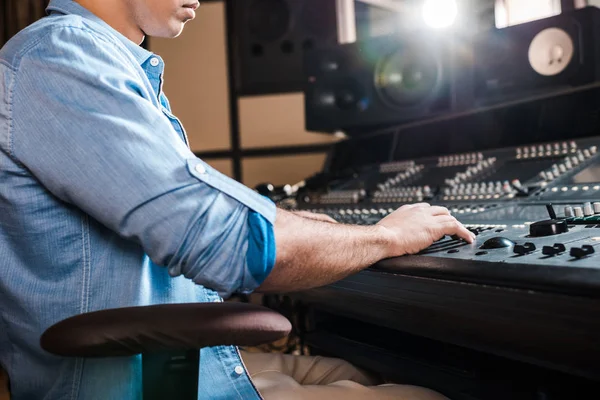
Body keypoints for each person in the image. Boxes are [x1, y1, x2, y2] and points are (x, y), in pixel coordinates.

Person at [0, 0, 475, 399]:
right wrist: (385, 236)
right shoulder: (61, 56)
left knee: (363, 375)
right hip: (129, 385)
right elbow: (222, 239)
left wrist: (345, 231)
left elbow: (213, 211)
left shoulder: (95, 58)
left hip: (169, 363)